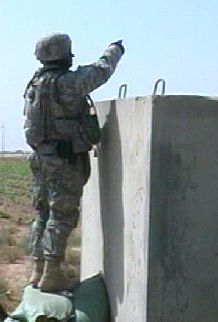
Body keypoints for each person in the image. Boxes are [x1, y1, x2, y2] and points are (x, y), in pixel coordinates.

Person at [23, 32, 125, 292]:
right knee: (62, 215)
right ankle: (52, 272)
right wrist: (114, 50)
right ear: (62, 54)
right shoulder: (68, 82)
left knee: (42, 214)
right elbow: (101, 71)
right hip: (64, 159)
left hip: (40, 158)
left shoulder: (35, 84)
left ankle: (37, 270)